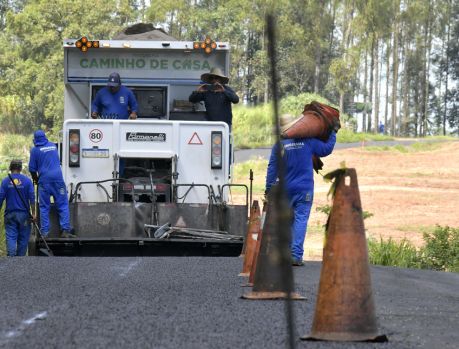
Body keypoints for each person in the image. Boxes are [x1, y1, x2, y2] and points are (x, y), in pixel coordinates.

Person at [265, 114, 336, 266]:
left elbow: (272, 168)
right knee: (301, 219)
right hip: (305, 189)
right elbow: (326, 149)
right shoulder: (308, 141)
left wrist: (269, 188)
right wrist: (333, 133)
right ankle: (296, 256)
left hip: (286, 190)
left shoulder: (279, 145)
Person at [29, 130, 75, 238]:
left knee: (44, 207)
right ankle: (65, 231)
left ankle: (45, 233)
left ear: (35, 139)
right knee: (63, 204)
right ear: (45, 137)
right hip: (58, 180)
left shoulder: (35, 150)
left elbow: (32, 169)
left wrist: (35, 179)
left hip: (44, 181)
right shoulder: (53, 146)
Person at [0, 160, 35, 256]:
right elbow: (32, 198)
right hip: (24, 215)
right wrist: (34, 213)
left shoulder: (5, 181)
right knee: (23, 239)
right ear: (20, 168)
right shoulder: (27, 181)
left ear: (10, 168)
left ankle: (11, 259)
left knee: (11, 237)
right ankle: (20, 262)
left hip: (10, 214)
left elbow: (0, 198)